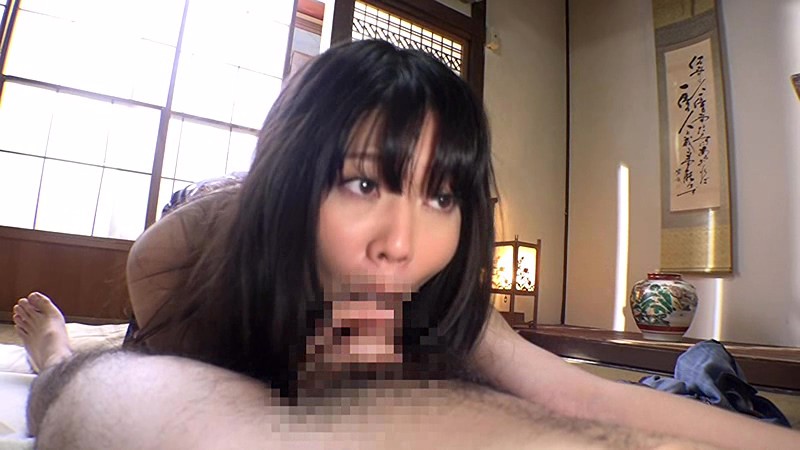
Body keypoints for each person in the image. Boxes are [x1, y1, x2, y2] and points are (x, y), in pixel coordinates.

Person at [12, 40, 800, 448]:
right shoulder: (175, 261)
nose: (402, 244)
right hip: (224, 235)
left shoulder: (439, 290)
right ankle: (54, 343)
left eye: (441, 196)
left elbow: (581, 397)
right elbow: (132, 401)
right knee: (88, 366)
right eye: (363, 184)